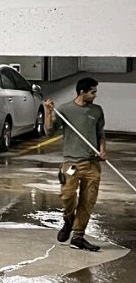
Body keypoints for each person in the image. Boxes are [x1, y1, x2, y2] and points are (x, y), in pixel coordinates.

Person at [44, 78, 105, 251]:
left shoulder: (97, 110)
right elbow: (49, 131)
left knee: (88, 201)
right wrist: (49, 112)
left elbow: (101, 133)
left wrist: (103, 149)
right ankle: (69, 219)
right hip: (71, 164)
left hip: (92, 164)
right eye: (92, 92)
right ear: (82, 92)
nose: (95, 95)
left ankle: (78, 236)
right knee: (67, 195)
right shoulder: (65, 109)